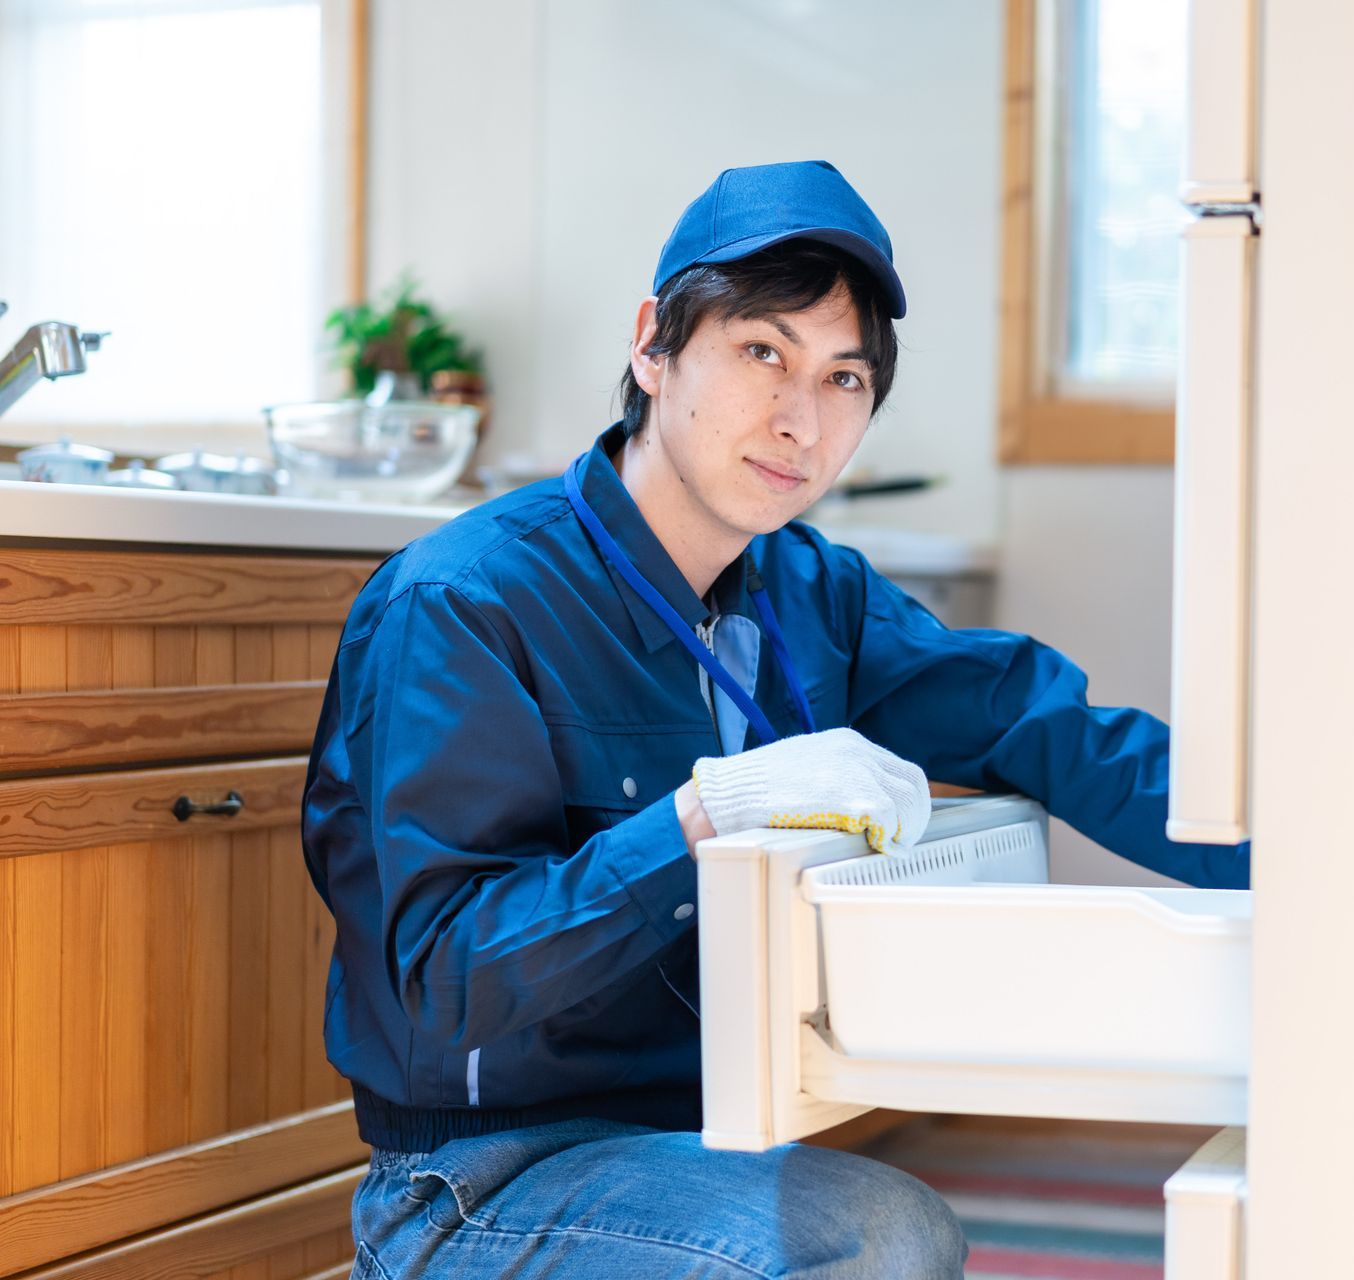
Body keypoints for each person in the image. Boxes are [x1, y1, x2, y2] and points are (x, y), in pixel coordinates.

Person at [304, 159, 1250, 1279]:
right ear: (653, 346)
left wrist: (1306, 871)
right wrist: (705, 816)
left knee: (883, 1229)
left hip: (704, 1142)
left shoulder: (812, 592)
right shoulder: (464, 602)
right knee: (881, 1235)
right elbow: (448, 976)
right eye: (763, 351)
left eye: (844, 377)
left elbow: (1043, 724)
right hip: (477, 1181)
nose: (801, 419)